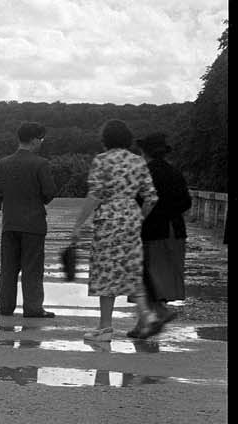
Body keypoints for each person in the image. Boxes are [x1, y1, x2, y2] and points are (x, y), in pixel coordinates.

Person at [67, 120, 159, 342]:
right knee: (131, 269)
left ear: (105, 139)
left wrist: (79, 224)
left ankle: (105, 327)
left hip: (108, 220)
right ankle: (147, 314)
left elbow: (95, 194)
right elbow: (151, 198)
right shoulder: (138, 161)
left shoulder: (102, 160)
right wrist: (138, 217)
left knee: (105, 271)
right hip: (131, 218)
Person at [0, 122, 58, 319]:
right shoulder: (41, 163)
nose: (41, 142)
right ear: (33, 140)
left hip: (10, 222)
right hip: (33, 223)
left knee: (8, 267)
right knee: (32, 268)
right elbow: (49, 193)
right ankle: (33, 308)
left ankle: (5, 306)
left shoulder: (2, 163)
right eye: (41, 139)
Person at [136, 132, 192, 327]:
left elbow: (139, 202)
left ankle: (155, 314)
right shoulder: (175, 172)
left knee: (148, 274)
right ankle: (146, 320)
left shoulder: (144, 173)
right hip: (175, 229)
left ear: (145, 152)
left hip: (152, 230)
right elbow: (186, 202)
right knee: (164, 274)